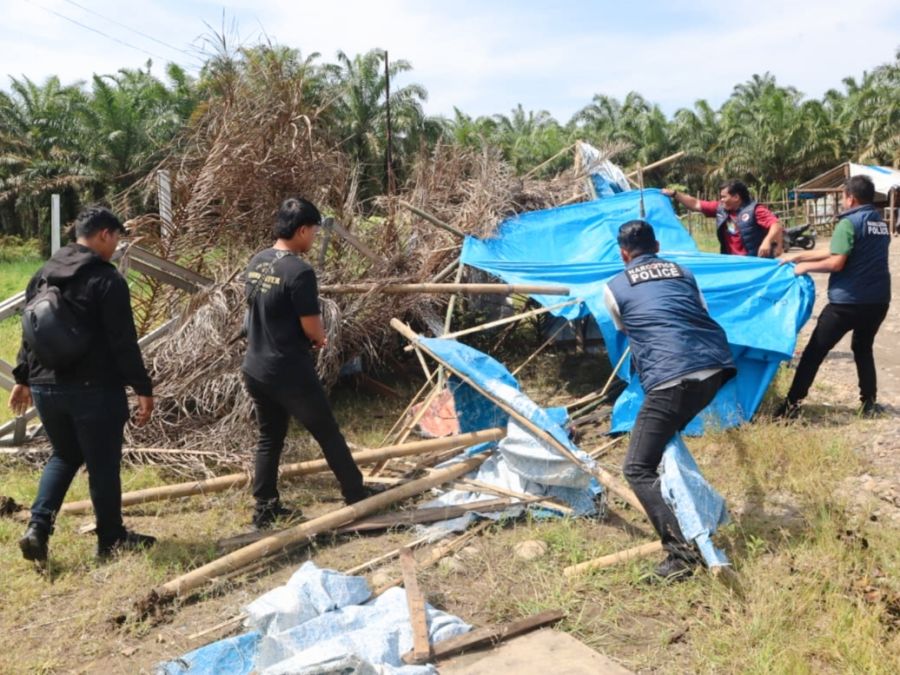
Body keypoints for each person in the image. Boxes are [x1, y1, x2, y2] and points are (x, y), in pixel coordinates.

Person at [11, 206, 156, 563]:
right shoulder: (105, 279)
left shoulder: (42, 275)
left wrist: (23, 377)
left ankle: (38, 527)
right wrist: (143, 388)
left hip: (46, 387)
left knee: (64, 454)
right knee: (103, 462)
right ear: (104, 234)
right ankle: (110, 540)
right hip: (94, 388)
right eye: (117, 238)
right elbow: (123, 341)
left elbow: (29, 331)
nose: (117, 246)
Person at [604, 220, 736, 581]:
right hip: (715, 369)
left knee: (636, 467)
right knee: (664, 440)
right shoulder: (684, 272)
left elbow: (627, 329)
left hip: (671, 379)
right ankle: (688, 509)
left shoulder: (614, 287)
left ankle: (680, 556)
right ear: (658, 245)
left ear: (623, 254)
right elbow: (698, 312)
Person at [242, 197, 374, 530]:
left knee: (270, 437)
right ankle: (357, 495)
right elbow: (311, 325)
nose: (313, 238)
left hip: (256, 367)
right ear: (302, 230)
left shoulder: (258, 262)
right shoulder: (299, 271)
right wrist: (319, 339)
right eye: (313, 231)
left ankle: (265, 508)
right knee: (327, 432)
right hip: (288, 370)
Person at [776, 175, 891, 418]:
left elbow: (837, 261)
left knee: (813, 353)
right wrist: (797, 256)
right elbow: (834, 248)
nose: (842, 201)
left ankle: (791, 406)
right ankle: (869, 403)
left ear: (851, 198)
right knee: (863, 348)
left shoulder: (848, 223)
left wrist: (804, 267)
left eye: (842, 197)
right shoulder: (879, 222)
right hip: (878, 300)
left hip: (847, 303)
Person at [662, 180, 783, 257]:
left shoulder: (755, 210)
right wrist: (674, 194)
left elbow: (776, 224)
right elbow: (695, 204)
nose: (721, 200)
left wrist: (767, 242)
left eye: (724, 197)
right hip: (730, 260)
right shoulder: (720, 209)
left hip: (753, 261)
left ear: (736, 197)